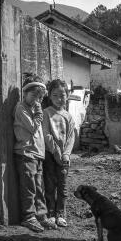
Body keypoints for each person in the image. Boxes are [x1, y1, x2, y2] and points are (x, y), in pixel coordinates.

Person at [13, 75, 57, 232]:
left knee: (39, 187)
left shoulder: (33, 108)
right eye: (33, 96)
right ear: (25, 93)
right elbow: (32, 127)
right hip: (26, 154)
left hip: (37, 154)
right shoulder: (21, 108)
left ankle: (41, 216)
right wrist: (39, 113)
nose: (36, 100)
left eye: (39, 97)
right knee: (29, 187)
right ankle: (28, 217)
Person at [43, 79, 75, 227]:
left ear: (67, 96)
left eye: (62, 95)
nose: (59, 99)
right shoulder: (46, 113)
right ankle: (50, 213)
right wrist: (56, 152)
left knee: (62, 186)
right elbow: (46, 134)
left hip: (64, 156)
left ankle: (61, 214)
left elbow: (70, 137)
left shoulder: (68, 116)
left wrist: (66, 154)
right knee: (49, 185)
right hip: (50, 155)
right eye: (55, 95)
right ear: (49, 96)